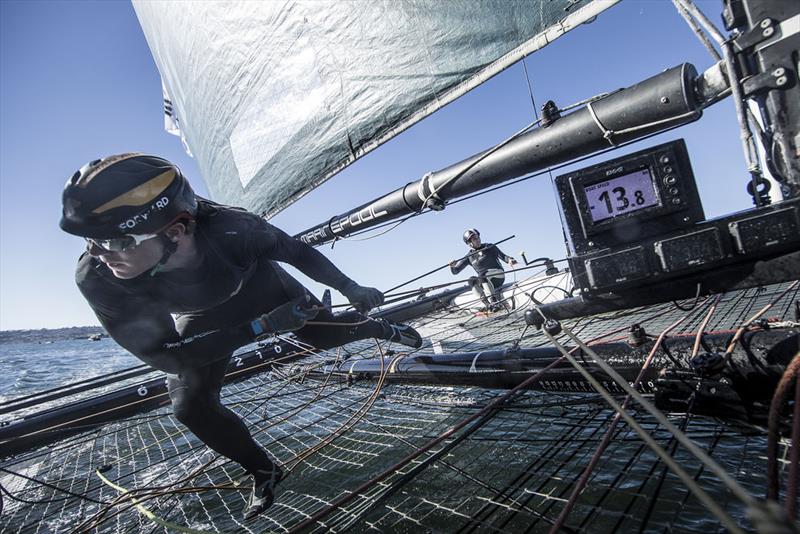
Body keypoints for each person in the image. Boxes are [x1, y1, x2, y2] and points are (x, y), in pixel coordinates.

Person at [59, 153, 423, 519]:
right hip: (200, 316)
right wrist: (261, 327)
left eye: (117, 242)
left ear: (176, 232)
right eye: (91, 240)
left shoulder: (235, 228)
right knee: (190, 408)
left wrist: (350, 287)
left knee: (324, 338)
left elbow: (295, 251)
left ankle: (380, 327)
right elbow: (167, 355)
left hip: (262, 287)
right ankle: (263, 470)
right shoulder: (97, 277)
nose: (100, 254)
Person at [449, 228, 517, 311]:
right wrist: (452, 266)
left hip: (498, 276)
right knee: (471, 280)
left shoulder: (489, 246)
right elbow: (455, 271)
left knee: (482, 275)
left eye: (478, 237)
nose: (477, 240)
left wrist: (510, 260)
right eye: (474, 239)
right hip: (484, 282)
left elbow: (504, 257)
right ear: (469, 243)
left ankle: (494, 301)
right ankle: (487, 304)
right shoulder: (468, 257)